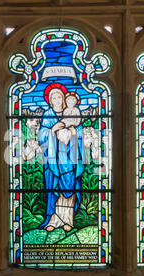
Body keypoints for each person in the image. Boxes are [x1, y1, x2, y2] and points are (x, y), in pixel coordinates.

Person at [38, 83, 85, 232]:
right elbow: (41, 135)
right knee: (53, 187)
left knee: (70, 184)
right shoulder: (48, 115)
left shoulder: (71, 112)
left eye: (59, 96)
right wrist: (52, 130)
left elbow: (79, 131)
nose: (57, 99)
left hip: (70, 158)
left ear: (64, 99)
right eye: (54, 97)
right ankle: (53, 220)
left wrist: (73, 131)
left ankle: (68, 220)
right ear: (50, 101)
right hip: (52, 159)